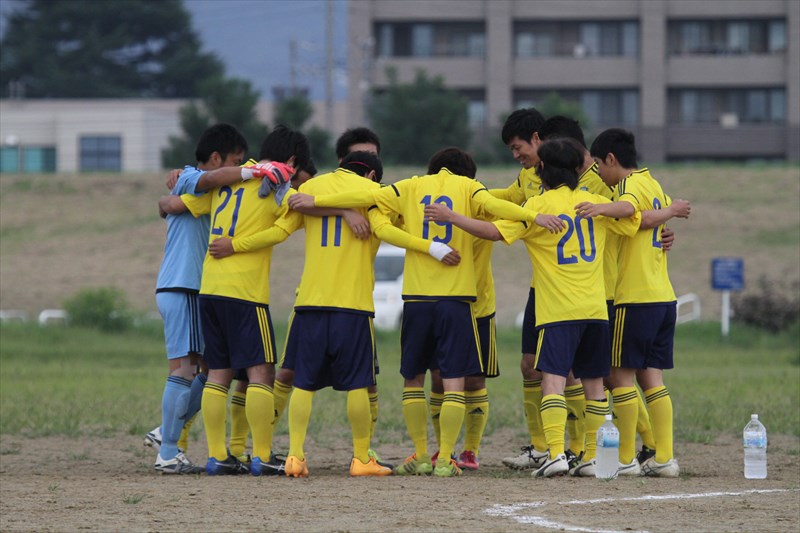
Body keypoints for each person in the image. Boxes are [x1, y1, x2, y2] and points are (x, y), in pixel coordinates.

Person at [288, 147, 565, 477]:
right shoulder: (469, 188)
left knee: (412, 380)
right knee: (455, 383)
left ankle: (419, 454)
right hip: (458, 299)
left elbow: (380, 222)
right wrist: (534, 216)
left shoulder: (409, 186)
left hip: (416, 298)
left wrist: (317, 202)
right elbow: (495, 205)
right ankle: (447, 459)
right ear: (466, 174)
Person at [424, 138, 642, 477]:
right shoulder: (596, 202)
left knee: (552, 381)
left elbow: (493, 231)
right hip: (596, 310)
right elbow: (633, 217)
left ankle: (555, 453)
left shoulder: (539, 206)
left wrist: (452, 216)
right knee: (595, 387)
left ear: (541, 170)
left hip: (558, 310)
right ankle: (591, 457)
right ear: (575, 169)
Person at [158, 125, 310, 476]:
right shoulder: (277, 186)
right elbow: (288, 222)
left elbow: (175, 205)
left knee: (218, 374)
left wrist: (170, 192)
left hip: (209, 288)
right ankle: (261, 455)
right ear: (291, 160)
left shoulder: (227, 180)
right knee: (261, 372)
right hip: (246, 292)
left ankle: (216, 456)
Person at [270, 127, 390, 468]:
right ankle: (361, 457)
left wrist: (235, 245)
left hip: (309, 302)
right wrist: (432, 247)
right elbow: (394, 224)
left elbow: (282, 221)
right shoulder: (374, 194)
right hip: (352, 305)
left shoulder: (311, 189)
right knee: (359, 384)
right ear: (367, 171)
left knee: (301, 382)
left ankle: (293, 455)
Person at [580, 128, 691, 477]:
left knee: (619, 375)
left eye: (599, 164)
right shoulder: (654, 184)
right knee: (652, 379)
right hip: (663, 297)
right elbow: (649, 222)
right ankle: (664, 458)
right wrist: (669, 212)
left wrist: (598, 207)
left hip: (635, 298)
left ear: (611, 159)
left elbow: (633, 213)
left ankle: (626, 458)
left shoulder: (629, 187)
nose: (598, 172)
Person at [150, 123, 248, 474]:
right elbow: (182, 193)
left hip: (188, 288)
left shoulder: (205, 190)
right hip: (184, 287)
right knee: (186, 369)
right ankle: (168, 450)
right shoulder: (193, 176)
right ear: (216, 159)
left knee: (213, 368)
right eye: (236, 161)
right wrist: (254, 171)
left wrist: (165, 203)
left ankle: (166, 432)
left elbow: (168, 204)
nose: (240, 168)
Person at [426, 150, 497, 472]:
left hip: (478, 305)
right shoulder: (423, 211)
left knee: (474, 379)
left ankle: (470, 450)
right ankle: (445, 449)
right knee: (441, 378)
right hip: (441, 303)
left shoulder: (482, 205)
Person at [489, 108, 552, 471]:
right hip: (540, 286)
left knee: (597, 375)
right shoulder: (527, 176)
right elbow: (508, 199)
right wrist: (466, 192)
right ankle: (541, 447)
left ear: (538, 138)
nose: (517, 156)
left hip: (584, 290)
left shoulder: (577, 175)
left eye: (518, 147)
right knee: (529, 366)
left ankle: (588, 447)